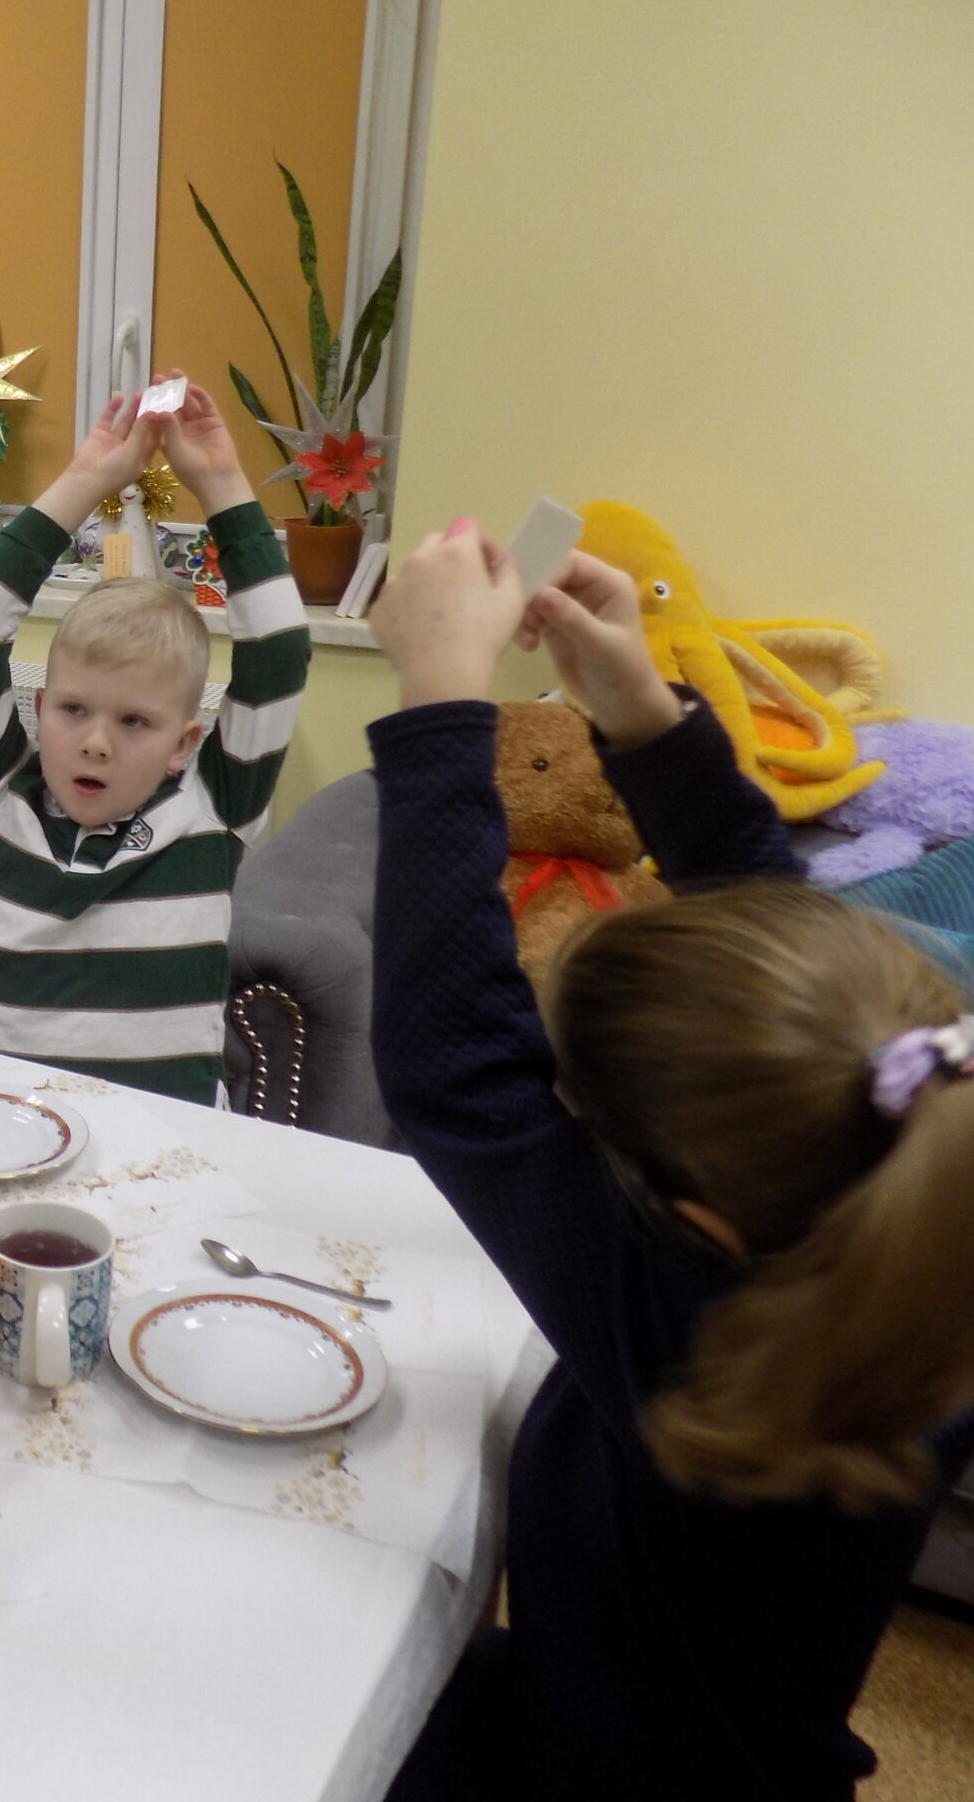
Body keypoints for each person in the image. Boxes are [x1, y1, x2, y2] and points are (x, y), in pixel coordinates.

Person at [366, 522, 974, 1800]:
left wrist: (438, 713)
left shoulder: (688, 1335)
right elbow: (781, 933)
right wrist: (638, 713)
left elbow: (455, 1065)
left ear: (686, 1210)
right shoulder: (903, 1210)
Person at [0, 377, 309, 1101]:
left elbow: (281, 649)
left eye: (134, 722)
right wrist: (86, 479)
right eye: (73, 710)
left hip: (169, 1155)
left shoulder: (213, 805)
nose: (96, 743)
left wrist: (223, 483)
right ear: (39, 708)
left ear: (183, 741)